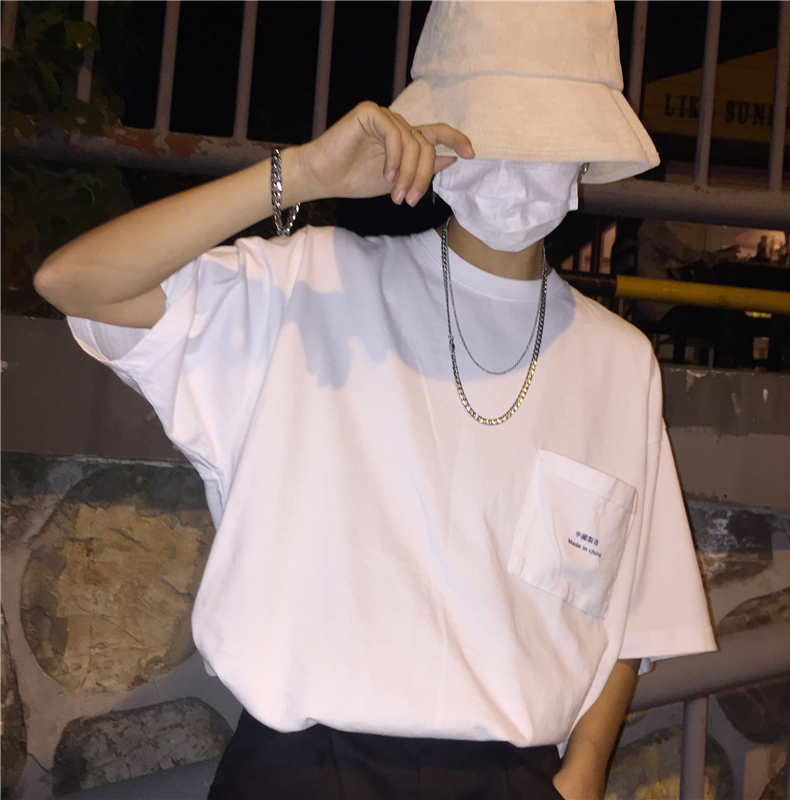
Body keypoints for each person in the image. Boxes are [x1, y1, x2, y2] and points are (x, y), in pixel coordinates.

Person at [34, 3, 716, 799]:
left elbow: (630, 605)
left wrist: (585, 768)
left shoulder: (618, 362)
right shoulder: (311, 284)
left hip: (512, 774)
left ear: (586, 158)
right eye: (490, 130)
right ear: (433, 135)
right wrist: (300, 176)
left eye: (548, 136)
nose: (519, 161)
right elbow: (76, 283)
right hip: (306, 772)